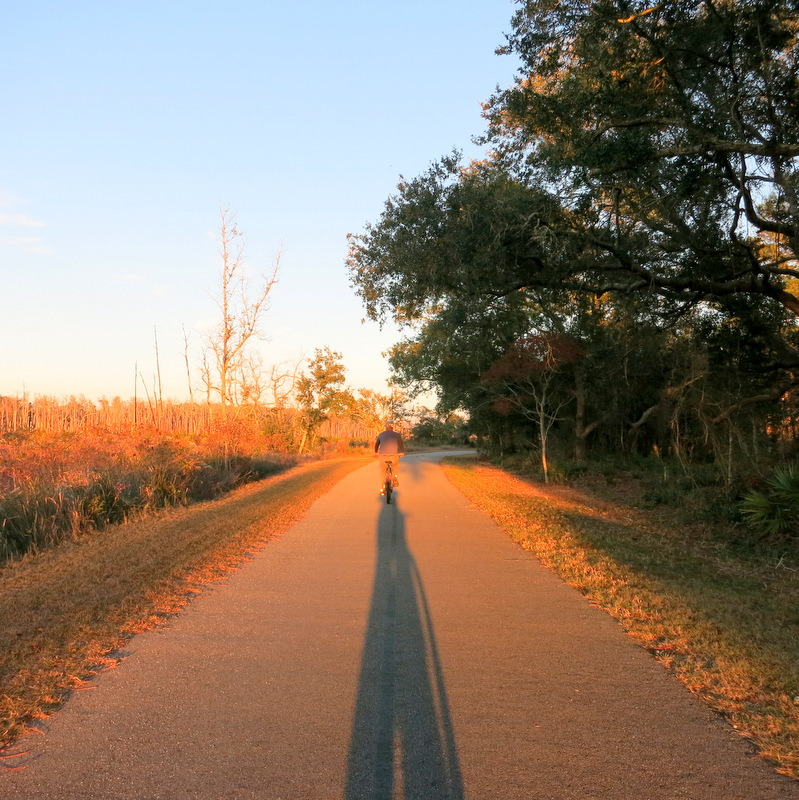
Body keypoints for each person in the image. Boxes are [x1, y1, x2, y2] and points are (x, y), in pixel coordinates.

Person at [375, 421, 404, 492]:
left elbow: (376, 444)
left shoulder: (381, 434)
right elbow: (400, 444)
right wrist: (402, 452)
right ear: (392, 427)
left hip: (383, 456)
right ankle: (395, 478)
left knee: (383, 471)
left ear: (385, 427)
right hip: (393, 455)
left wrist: (376, 452)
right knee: (396, 466)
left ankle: (382, 488)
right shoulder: (397, 435)